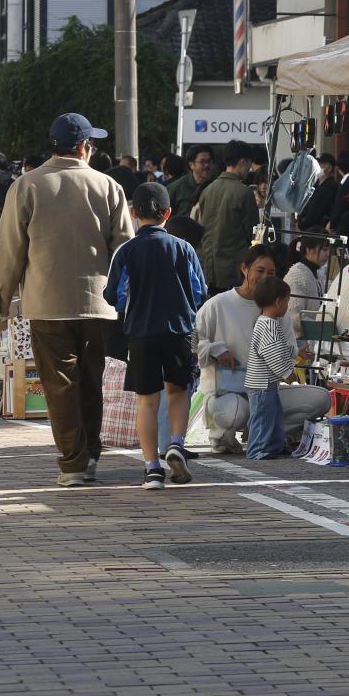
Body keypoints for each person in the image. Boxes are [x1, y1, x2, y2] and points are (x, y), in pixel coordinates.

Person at [0, 113, 133, 487]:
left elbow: (9, 252)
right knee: (91, 380)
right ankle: (90, 454)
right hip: (98, 304)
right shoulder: (108, 186)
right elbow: (125, 251)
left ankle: (73, 461)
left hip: (46, 303)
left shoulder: (27, 186)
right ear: (84, 147)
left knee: (60, 385)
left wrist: (0, 304)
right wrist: (127, 299)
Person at [103, 182, 206, 490]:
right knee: (178, 392)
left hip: (142, 333)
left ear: (133, 213)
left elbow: (112, 294)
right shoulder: (184, 248)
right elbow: (199, 291)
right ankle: (175, 443)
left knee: (147, 402)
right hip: (179, 331)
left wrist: (130, 307)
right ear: (168, 213)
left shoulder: (126, 251)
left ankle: (152, 470)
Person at [193, 246, 278, 454]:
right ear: (244, 269)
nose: (265, 277)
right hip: (227, 392)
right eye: (260, 270)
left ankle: (265, 434)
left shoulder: (276, 306)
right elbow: (193, 344)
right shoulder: (217, 304)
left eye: (271, 273)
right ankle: (221, 435)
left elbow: (290, 347)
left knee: (318, 399)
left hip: (266, 391)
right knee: (236, 410)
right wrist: (215, 350)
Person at [244, 277, 332, 459]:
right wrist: (287, 374)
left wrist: (297, 351)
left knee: (274, 416)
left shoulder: (267, 322)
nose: (287, 306)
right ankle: (257, 449)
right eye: (287, 301)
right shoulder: (268, 325)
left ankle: (274, 445)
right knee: (263, 417)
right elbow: (272, 354)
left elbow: (279, 348)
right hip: (261, 384)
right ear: (278, 301)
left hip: (266, 383)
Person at [193, 141, 261, 296]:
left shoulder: (207, 190)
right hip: (234, 271)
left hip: (209, 268)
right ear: (242, 161)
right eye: (249, 164)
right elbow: (254, 235)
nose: (249, 169)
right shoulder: (245, 193)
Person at [296, 153, 341, 234]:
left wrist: (304, 223)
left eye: (319, 165)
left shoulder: (330, 186)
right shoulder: (316, 185)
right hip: (309, 228)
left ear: (329, 168)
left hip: (318, 230)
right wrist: (300, 220)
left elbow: (316, 210)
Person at [168, 145, 216, 214]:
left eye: (209, 161)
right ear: (191, 165)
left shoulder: (216, 185)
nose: (206, 165)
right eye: (202, 162)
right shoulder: (176, 187)